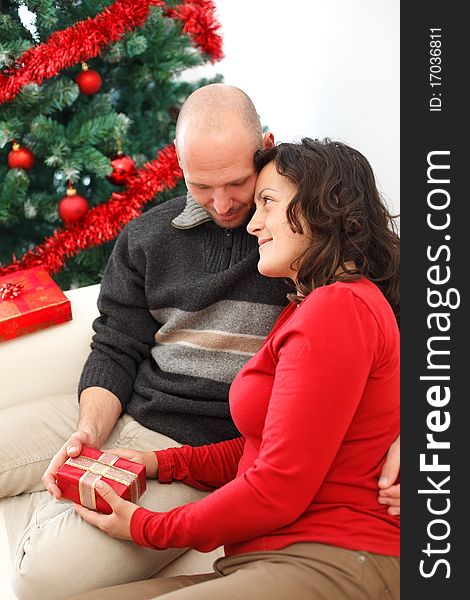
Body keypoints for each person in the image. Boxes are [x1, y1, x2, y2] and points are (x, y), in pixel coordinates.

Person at [0, 84, 399, 600]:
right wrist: (89, 432)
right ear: (179, 165)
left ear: (267, 150)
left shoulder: (322, 273)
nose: (226, 206)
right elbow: (116, 343)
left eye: (241, 185)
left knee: (42, 580)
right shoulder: (150, 237)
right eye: (200, 185)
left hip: (207, 445)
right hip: (134, 411)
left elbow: (410, 348)